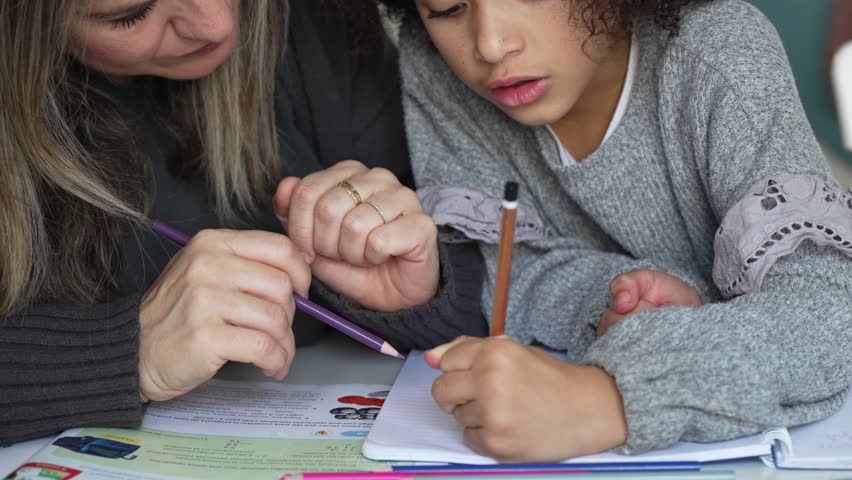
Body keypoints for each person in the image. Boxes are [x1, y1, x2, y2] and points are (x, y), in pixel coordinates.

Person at [376, 0, 852, 463]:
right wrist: (616, 302)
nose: (491, 45)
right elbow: (506, 263)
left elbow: (828, 309)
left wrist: (604, 401)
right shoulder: (438, 66)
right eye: (446, 9)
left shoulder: (718, 51)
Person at [0, 0, 487, 446]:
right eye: (130, 14)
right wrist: (126, 352)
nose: (217, 22)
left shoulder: (322, 24)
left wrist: (421, 296)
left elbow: (481, 308)